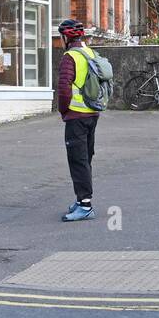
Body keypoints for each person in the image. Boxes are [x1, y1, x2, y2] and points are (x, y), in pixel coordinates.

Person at [56, 19, 100, 221]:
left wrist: (63, 110)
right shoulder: (90, 53)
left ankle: (85, 205)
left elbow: (64, 88)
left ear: (66, 37)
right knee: (85, 157)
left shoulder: (70, 56)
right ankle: (81, 199)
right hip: (92, 113)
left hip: (76, 115)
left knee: (77, 159)